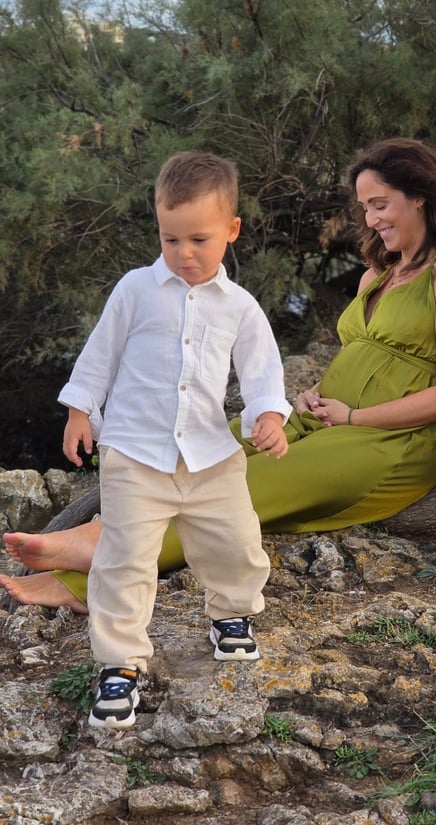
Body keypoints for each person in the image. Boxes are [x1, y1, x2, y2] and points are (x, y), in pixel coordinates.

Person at [0, 138, 436, 611]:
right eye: (365, 208)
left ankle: (88, 564)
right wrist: (318, 393)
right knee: (210, 444)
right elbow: (363, 357)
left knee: (238, 486)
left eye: (381, 205)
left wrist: (355, 416)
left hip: (393, 442)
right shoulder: (375, 275)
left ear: (419, 198)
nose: (372, 220)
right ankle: (104, 533)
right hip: (324, 416)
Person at [55, 151, 292, 729]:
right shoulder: (136, 290)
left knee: (236, 541)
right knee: (124, 559)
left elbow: (262, 371)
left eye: (198, 239)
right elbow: (100, 353)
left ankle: (232, 615)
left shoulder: (241, 307)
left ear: (231, 232)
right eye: (170, 239)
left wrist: (269, 416)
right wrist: (80, 409)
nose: (184, 253)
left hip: (211, 456)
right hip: (135, 454)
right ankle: (118, 663)